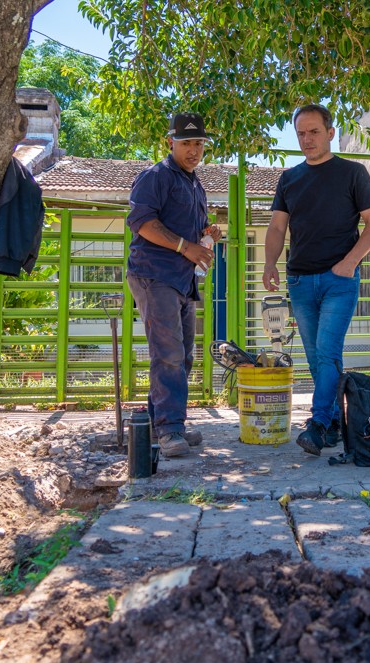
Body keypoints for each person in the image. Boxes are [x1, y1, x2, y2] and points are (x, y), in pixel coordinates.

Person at [263, 104, 370, 455]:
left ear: (330, 133)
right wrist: (270, 263)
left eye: (314, 132)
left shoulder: (353, 173)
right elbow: (276, 226)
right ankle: (332, 423)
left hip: (338, 281)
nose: (307, 139)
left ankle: (318, 424)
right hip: (300, 282)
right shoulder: (289, 178)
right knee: (316, 357)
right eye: (301, 133)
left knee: (328, 353)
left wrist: (349, 263)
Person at [126, 112, 222, 457]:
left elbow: (189, 231)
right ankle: (169, 432)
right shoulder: (156, 176)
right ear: (171, 142)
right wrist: (186, 246)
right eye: (187, 143)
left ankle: (164, 424)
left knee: (182, 356)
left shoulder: (194, 183)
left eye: (199, 143)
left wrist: (207, 234)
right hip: (155, 275)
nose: (194, 150)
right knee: (167, 354)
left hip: (182, 280)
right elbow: (141, 222)